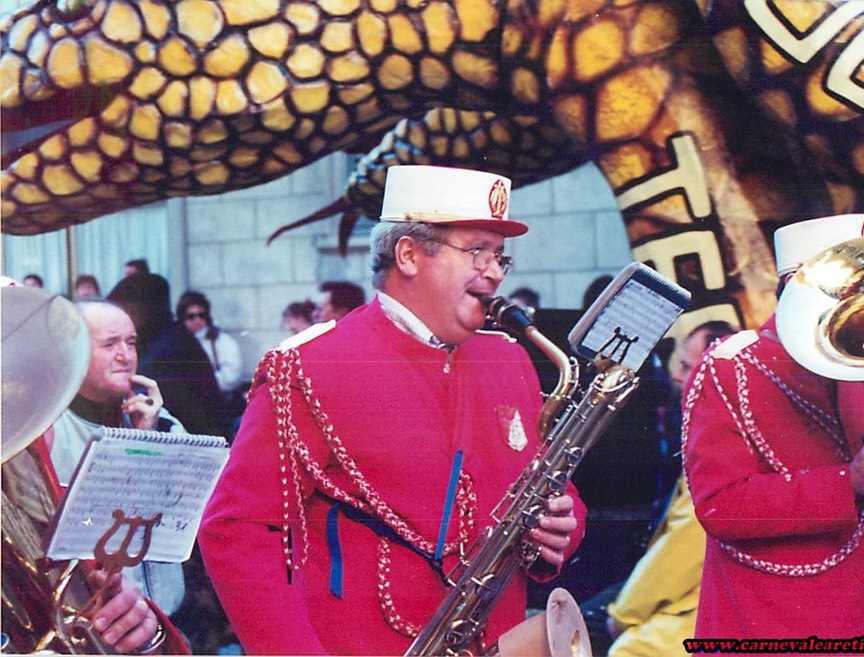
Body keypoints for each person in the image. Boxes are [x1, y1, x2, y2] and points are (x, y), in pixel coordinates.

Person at [199, 165, 586, 655]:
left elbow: (555, 491)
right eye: (476, 251)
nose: (493, 272)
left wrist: (562, 527)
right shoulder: (307, 365)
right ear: (408, 254)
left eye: (499, 257)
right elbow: (238, 530)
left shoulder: (509, 359)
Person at [682, 214, 864, 643]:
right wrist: (847, 480)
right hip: (772, 623)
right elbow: (720, 507)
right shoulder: (729, 366)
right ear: (799, 285)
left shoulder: (861, 368)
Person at [2, 299, 190, 654]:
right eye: (109, 344)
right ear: (73, 352)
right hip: (97, 620)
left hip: (160, 619)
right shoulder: (42, 430)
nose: (125, 356)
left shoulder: (160, 421)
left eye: (131, 343)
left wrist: (152, 437)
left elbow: (188, 512)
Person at [605, 321, 737, 657]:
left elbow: (683, 548)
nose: (677, 376)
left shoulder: (718, 446)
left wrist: (623, 616)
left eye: (688, 367)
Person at [107, 273, 226, 437]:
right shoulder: (171, 337)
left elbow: (138, 394)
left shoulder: (167, 349)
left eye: (125, 311)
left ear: (138, 311)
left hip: (196, 443)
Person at [176, 291, 243, 397]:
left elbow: (231, 377)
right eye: (191, 316)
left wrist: (200, 385)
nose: (197, 320)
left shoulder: (222, 341)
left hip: (216, 398)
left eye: (201, 315)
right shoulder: (175, 343)